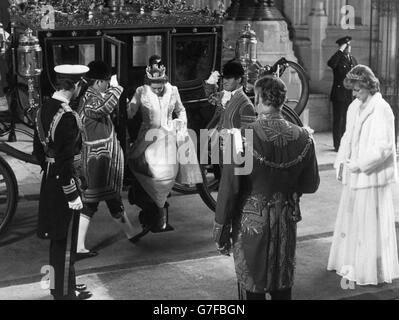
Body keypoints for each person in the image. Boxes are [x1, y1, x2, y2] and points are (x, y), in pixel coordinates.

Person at [213, 76, 320, 300]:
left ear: (259, 98)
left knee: (253, 288)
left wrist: (220, 229)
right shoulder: (304, 137)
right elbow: (311, 184)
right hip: (285, 222)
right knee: (282, 287)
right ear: (283, 101)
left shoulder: (241, 137)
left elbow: (230, 189)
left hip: (251, 222)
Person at [327, 65, 399, 285]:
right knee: (353, 219)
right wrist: (341, 163)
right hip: (354, 173)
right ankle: (351, 262)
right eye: (353, 90)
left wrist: (358, 164)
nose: (354, 94)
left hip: (371, 176)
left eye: (358, 89)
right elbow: (347, 137)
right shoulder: (354, 106)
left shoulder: (382, 108)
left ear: (368, 85)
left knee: (368, 223)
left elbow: (384, 147)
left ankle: (368, 268)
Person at [33, 64, 92, 300]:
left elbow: (39, 151)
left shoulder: (43, 109)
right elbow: (66, 159)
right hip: (64, 184)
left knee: (59, 239)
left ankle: (65, 285)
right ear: (76, 85)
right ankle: (63, 293)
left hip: (49, 180)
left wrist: (50, 169)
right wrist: (72, 194)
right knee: (64, 242)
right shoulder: (67, 117)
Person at [127, 63, 201, 232]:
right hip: (147, 138)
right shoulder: (141, 91)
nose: (158, 89)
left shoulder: (173, 90)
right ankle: (150, 212)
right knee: (148, 171)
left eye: (160, 85)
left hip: (168, 138)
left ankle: (160, 216)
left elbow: (181, 110)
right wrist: (127, 107)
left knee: (167, 173)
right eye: (155, 86)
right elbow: (131, 112)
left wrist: (181, 123)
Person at [76, 60, 135, 259]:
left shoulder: (91, 96)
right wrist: (118, 89)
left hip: (101, 159)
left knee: (113, 200)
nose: (108, 85)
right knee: (91, 203)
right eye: (107, 82)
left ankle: (131, 234)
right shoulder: (91, 100)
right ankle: (78, 246)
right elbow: (105, 107)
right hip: (98, 160)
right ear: (99, 82)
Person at [327, 36, 358, 151]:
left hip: (350, 95)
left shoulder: (353, 60)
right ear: (342, 47)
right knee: (338, 120)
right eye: (346, 46)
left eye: (349, 45)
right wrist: (340, 51)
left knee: (348, 120)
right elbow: (331, 64)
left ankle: (346, 144)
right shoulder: (337, 59)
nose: (348, 48)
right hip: (339, 95)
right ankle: (337, 145)